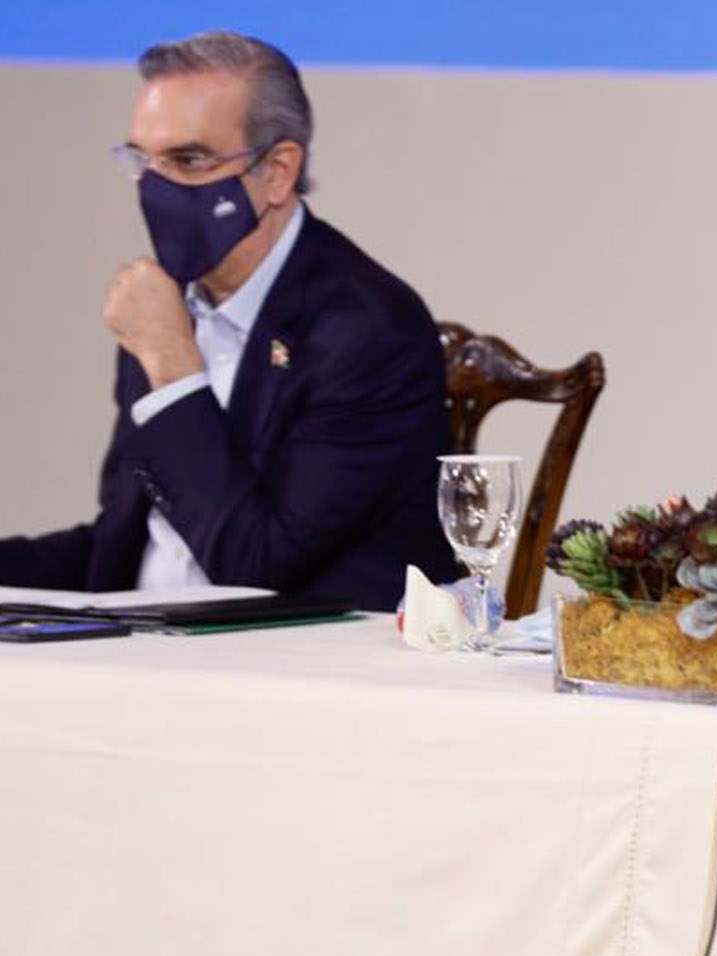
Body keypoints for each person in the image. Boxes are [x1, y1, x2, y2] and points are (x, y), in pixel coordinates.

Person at [0, 30, 456, 610]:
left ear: (277, 172)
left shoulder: (366, 330)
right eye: (143, 160)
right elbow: (128, 543)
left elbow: (256, 564)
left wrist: (172, 366)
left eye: (188, 160)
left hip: (291, 666)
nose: (156, 188)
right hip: (143, 650)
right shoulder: (168, 305)